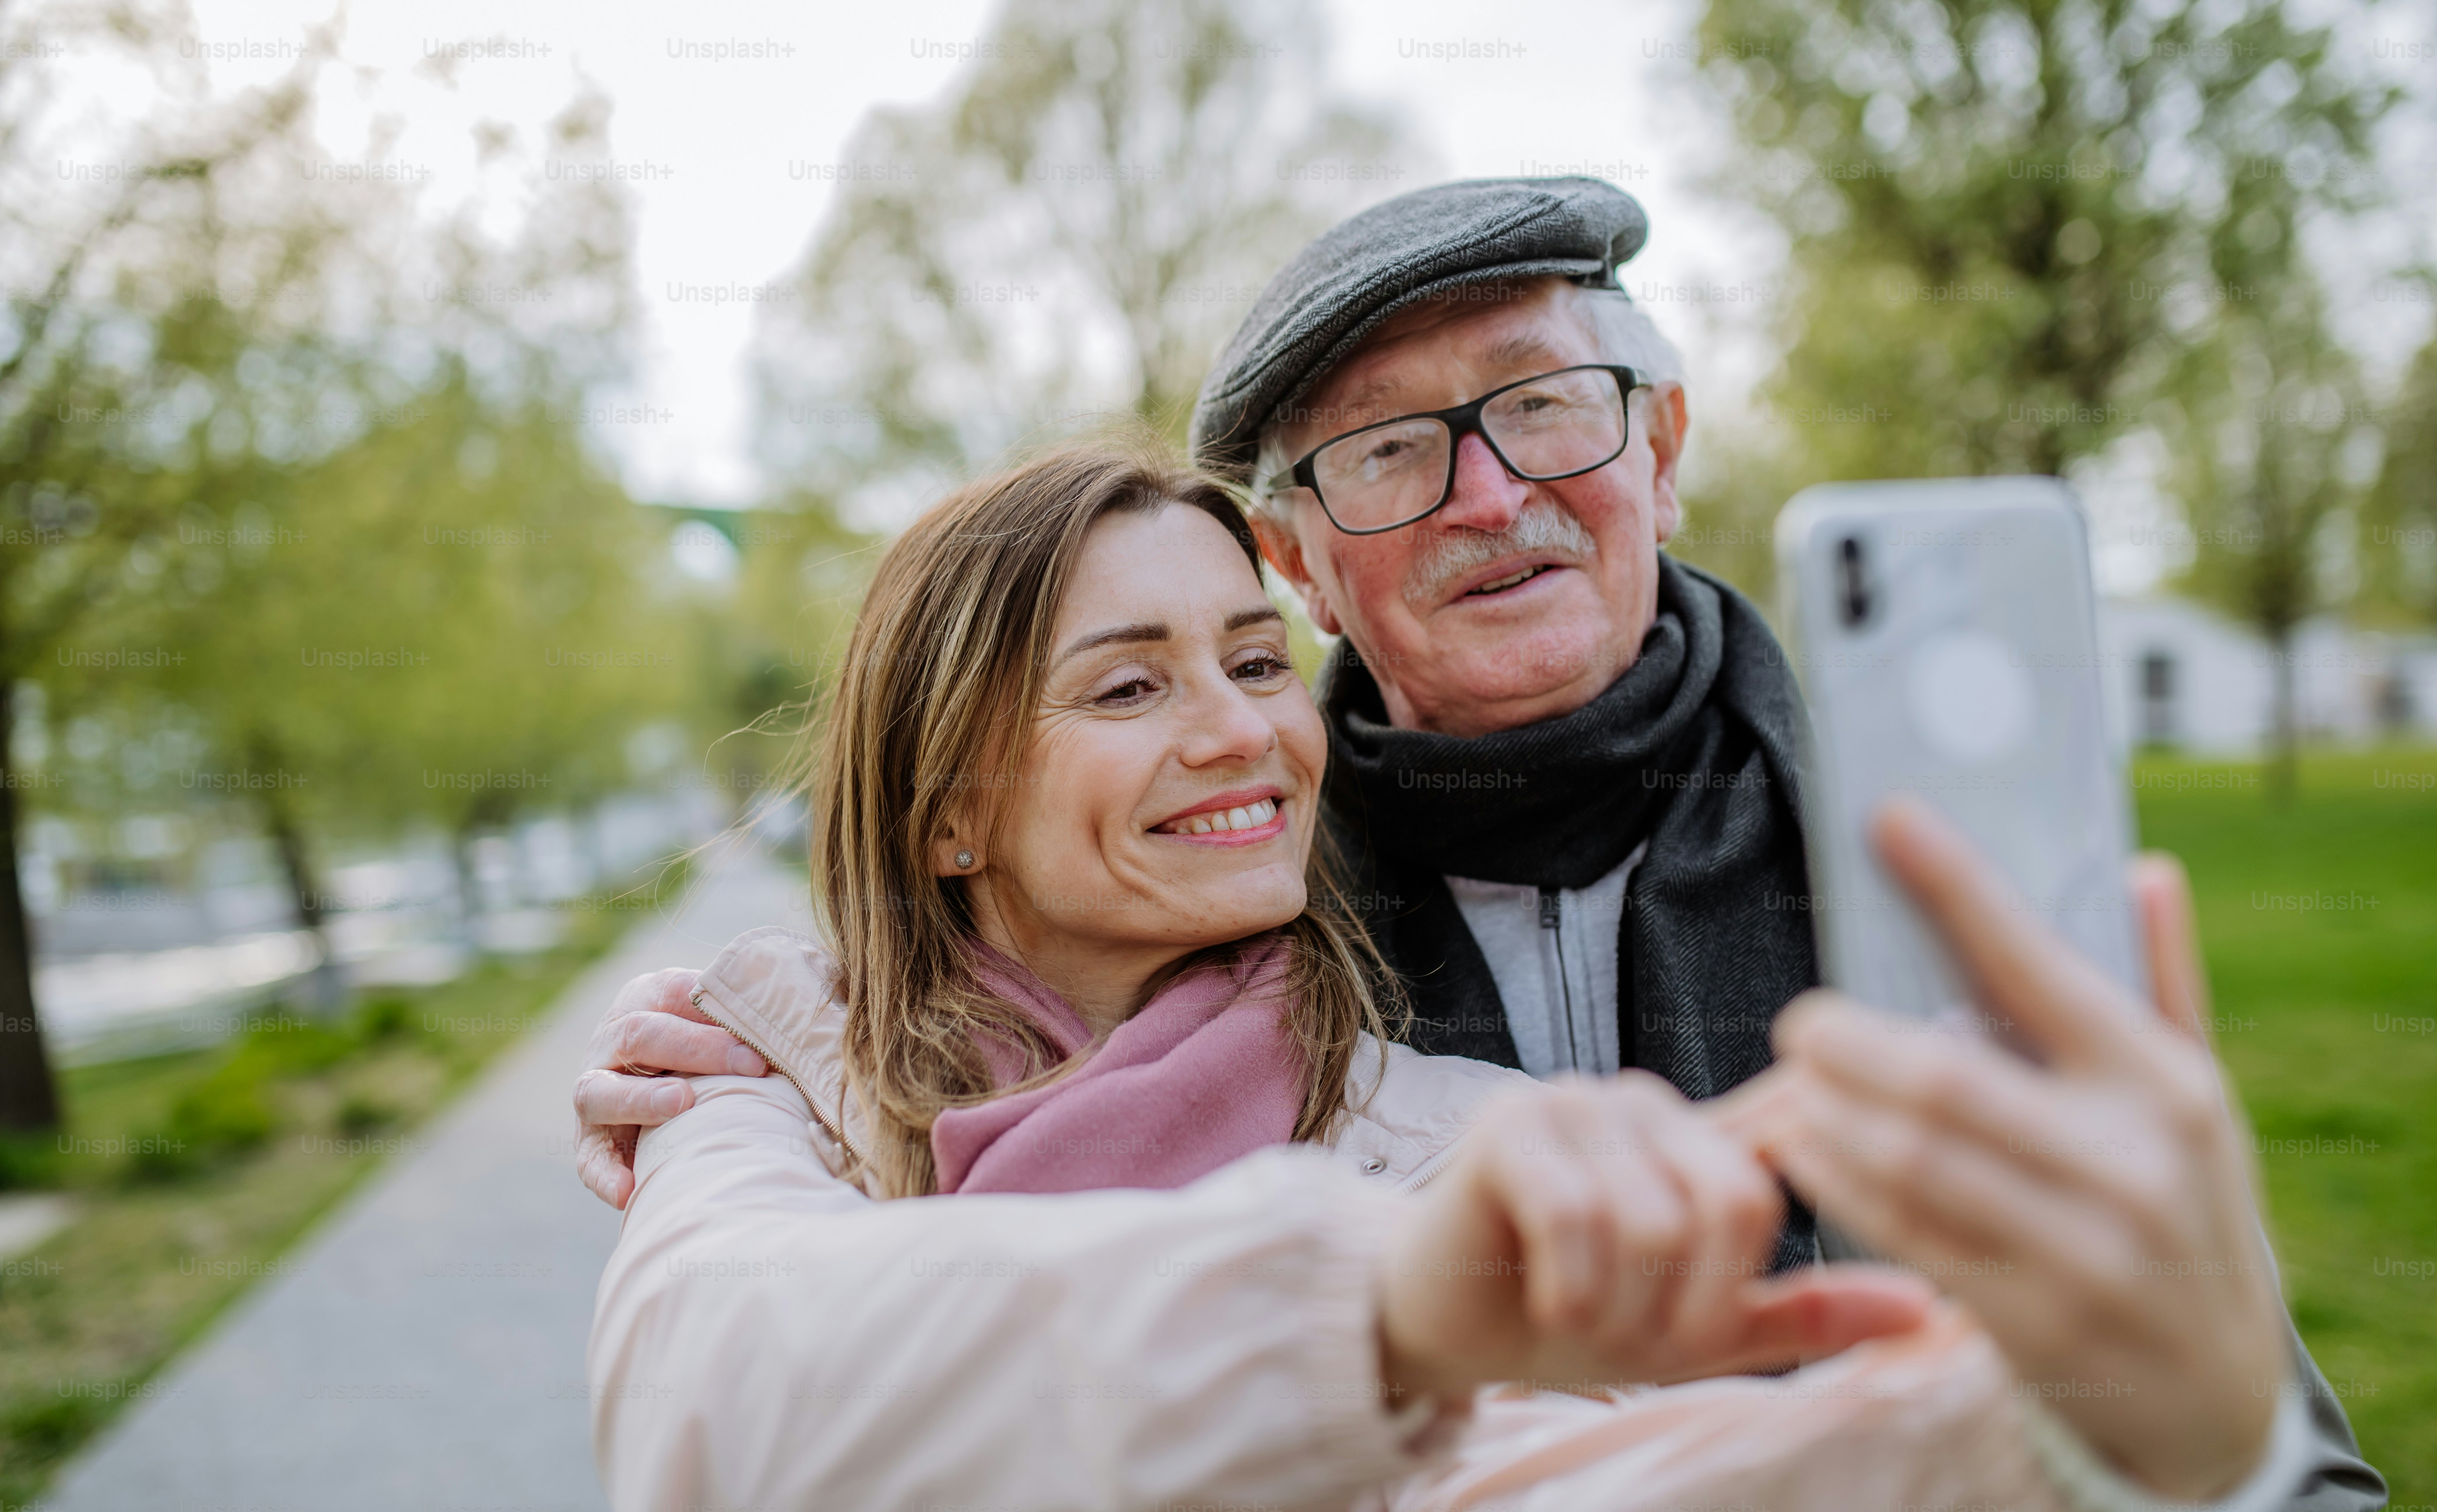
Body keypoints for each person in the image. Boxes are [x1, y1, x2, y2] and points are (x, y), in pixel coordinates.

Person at [577, 178, 2382, 1509]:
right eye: (1384, 453)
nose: (1493, 496)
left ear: (1663, 444)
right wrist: (748, 1046)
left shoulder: (1927, 863)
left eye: (1544, 405)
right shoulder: (1242, 893)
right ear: (1303, 556)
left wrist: (2192, 1441)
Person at [586, 440, 1949, 1510]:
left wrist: (2028, 1438)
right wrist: (1363, 1319)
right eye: (1130, 690)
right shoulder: (768, 1078)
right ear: (948, 812)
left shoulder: (1458, 1144)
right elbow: (711, 1410)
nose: (1243, 729)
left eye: (1255, 661)